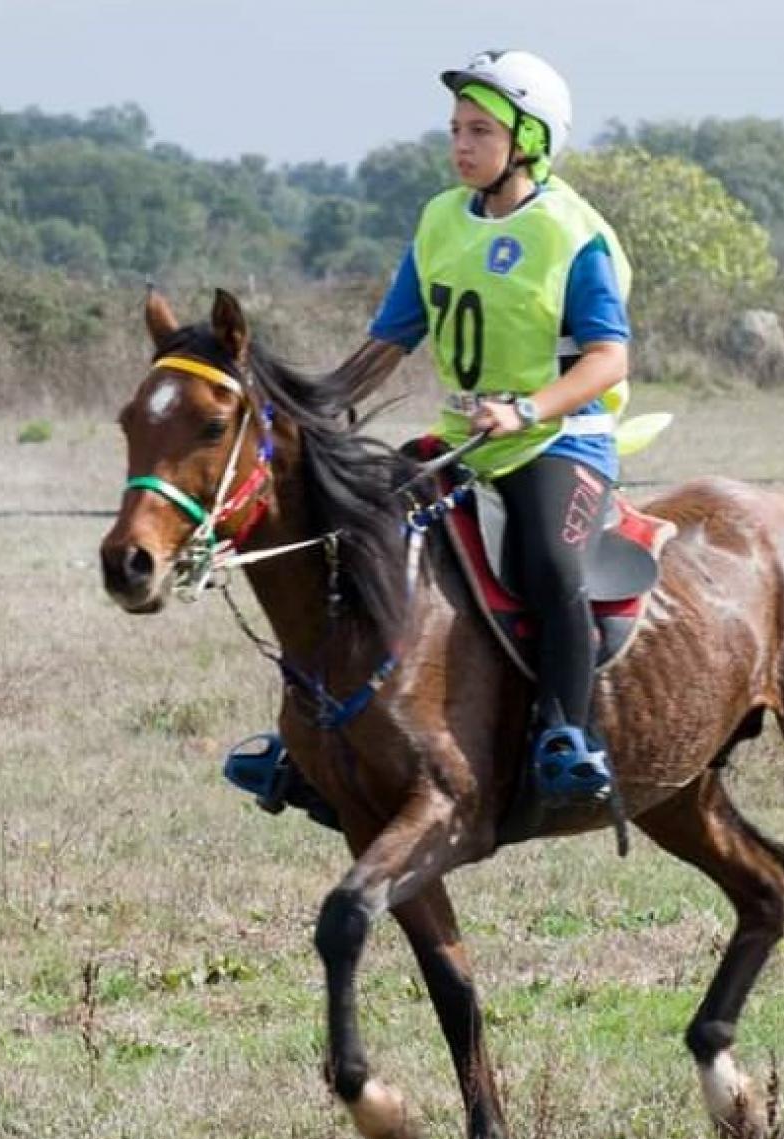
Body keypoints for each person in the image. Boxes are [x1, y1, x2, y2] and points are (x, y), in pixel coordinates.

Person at [227, 48, 633, 821]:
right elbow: (390, 339)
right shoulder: (441, 220)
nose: (461, 145)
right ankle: (314, 738)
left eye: (480, 130)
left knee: (551, 563)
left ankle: (568, 738)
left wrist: (527, 408)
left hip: (560, 442)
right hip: (463, 440)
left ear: (530, 141)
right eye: (455, 129)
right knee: (351, 541)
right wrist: (313, 406)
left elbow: (610, 359)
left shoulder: (572, 232)